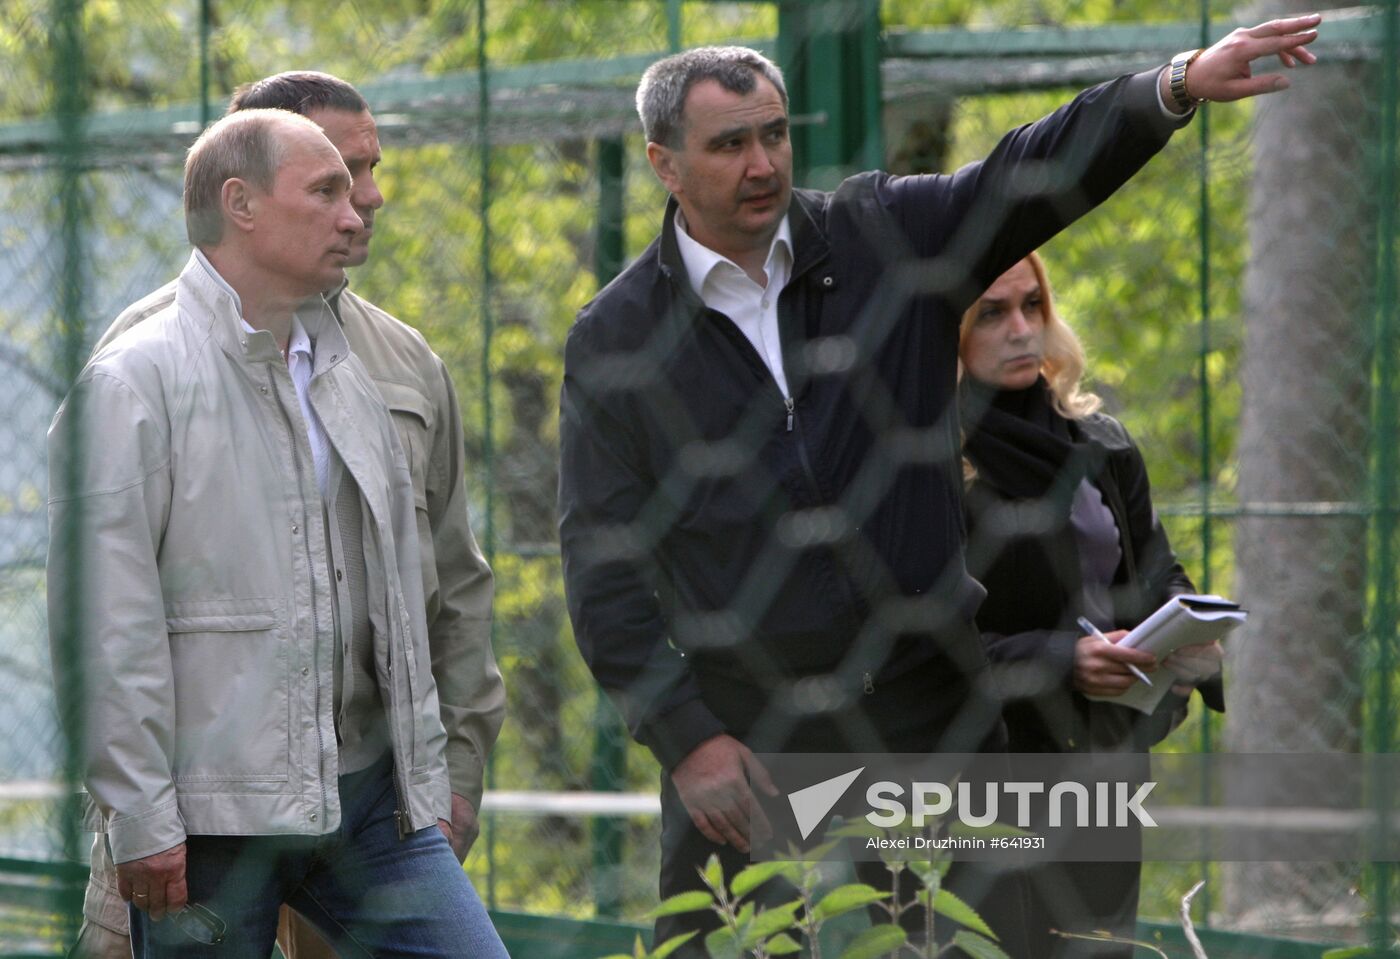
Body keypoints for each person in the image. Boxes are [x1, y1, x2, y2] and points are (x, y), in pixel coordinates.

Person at [557, 19, 1316, 955]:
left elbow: (1023, 174)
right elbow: (604, 565)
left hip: (928, 708)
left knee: (963, 944)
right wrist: (687, 737)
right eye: (728, 144)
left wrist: (1172, 86)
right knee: (735, 942)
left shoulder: (879, 235)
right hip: (750, 732)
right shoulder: (618, 336)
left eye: (775, 134)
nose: (762, 164)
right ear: (663, 164)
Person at [47, 109, 508, 957]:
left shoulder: (353, 371)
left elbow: (417, 597)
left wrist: (432, 779)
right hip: (211, 817)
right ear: (241, 204)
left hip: (371, 800)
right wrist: (141, 815)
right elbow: (106, 626)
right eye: (327, 189)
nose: (355, 211)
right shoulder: (134, 381)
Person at [958, 252, 1224, 957]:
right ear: (945, 330)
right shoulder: (925, 465)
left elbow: (1156, 569)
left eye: (1032, 306)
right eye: (992, 312)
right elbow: (916, 642)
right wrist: (1058, 660)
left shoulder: (1099, 444)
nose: (1021, 329)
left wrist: (1191, 636)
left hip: (1101, 763)